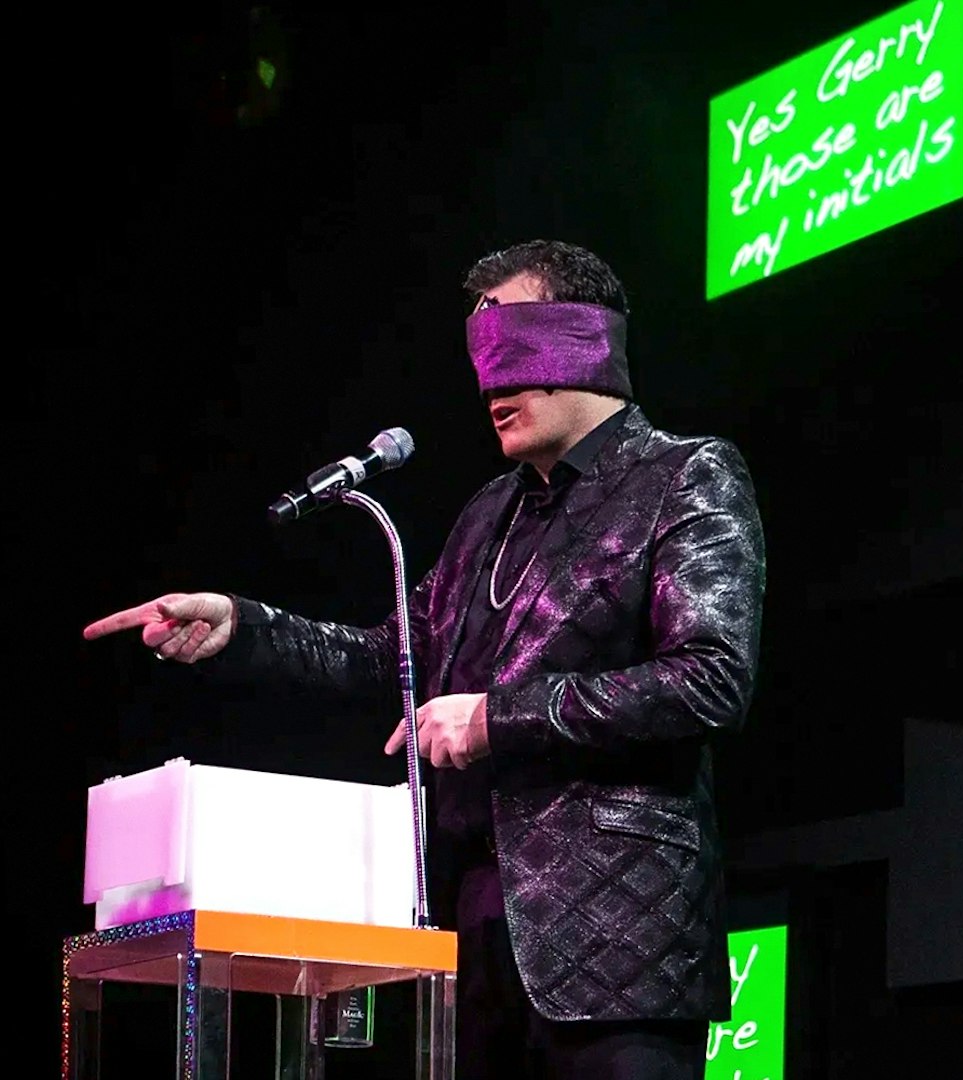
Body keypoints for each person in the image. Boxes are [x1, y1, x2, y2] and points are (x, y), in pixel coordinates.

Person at [82, 239, 767, 1080]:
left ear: (583, 340)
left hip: (620, 940)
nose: (490, 385)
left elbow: (710, 678)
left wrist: (494, 718)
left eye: (511, 345)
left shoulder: (686, 477)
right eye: (478, 355)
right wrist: (242, 626)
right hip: (478, 931)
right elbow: (388, 658)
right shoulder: (489, 515)